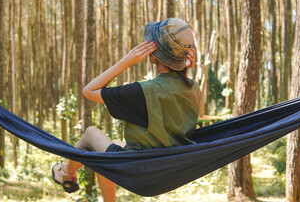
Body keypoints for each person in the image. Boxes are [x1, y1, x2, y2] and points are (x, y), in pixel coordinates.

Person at [52, 18, 201, 201]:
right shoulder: (194, 89)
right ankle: (67, 174)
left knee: (91, 134)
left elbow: (89, 91)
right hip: (169, 170)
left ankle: (66, 173)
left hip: (141, 171)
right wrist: (184, 72)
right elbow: (174, 99)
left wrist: (126, 61)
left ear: (153, 55)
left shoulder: (141, 92)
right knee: (107, 151)